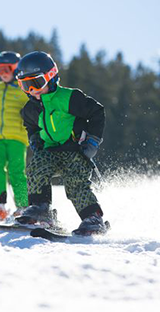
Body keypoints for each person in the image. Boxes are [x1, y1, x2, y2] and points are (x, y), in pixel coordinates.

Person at [15, 51, 107, 233]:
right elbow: (31, 126)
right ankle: (41, 210)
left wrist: (92, 141)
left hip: (76, 150)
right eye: (26, 85)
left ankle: (92, 218)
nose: (32, 90)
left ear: (51, 77)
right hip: (50, 152)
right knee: (35, 169)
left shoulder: (69, 98)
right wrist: (34, 140)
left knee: (75, 181)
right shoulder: (30, 109)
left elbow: (97, 112)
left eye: (36, 83)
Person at [0, 51, 29, 220]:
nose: (2, 74)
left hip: (17, 137)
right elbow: (0, 112)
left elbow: (34, 110)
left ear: (16, 69)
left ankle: (24, 207)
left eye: (5, 69)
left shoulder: (24, 90)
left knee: (16, 171)